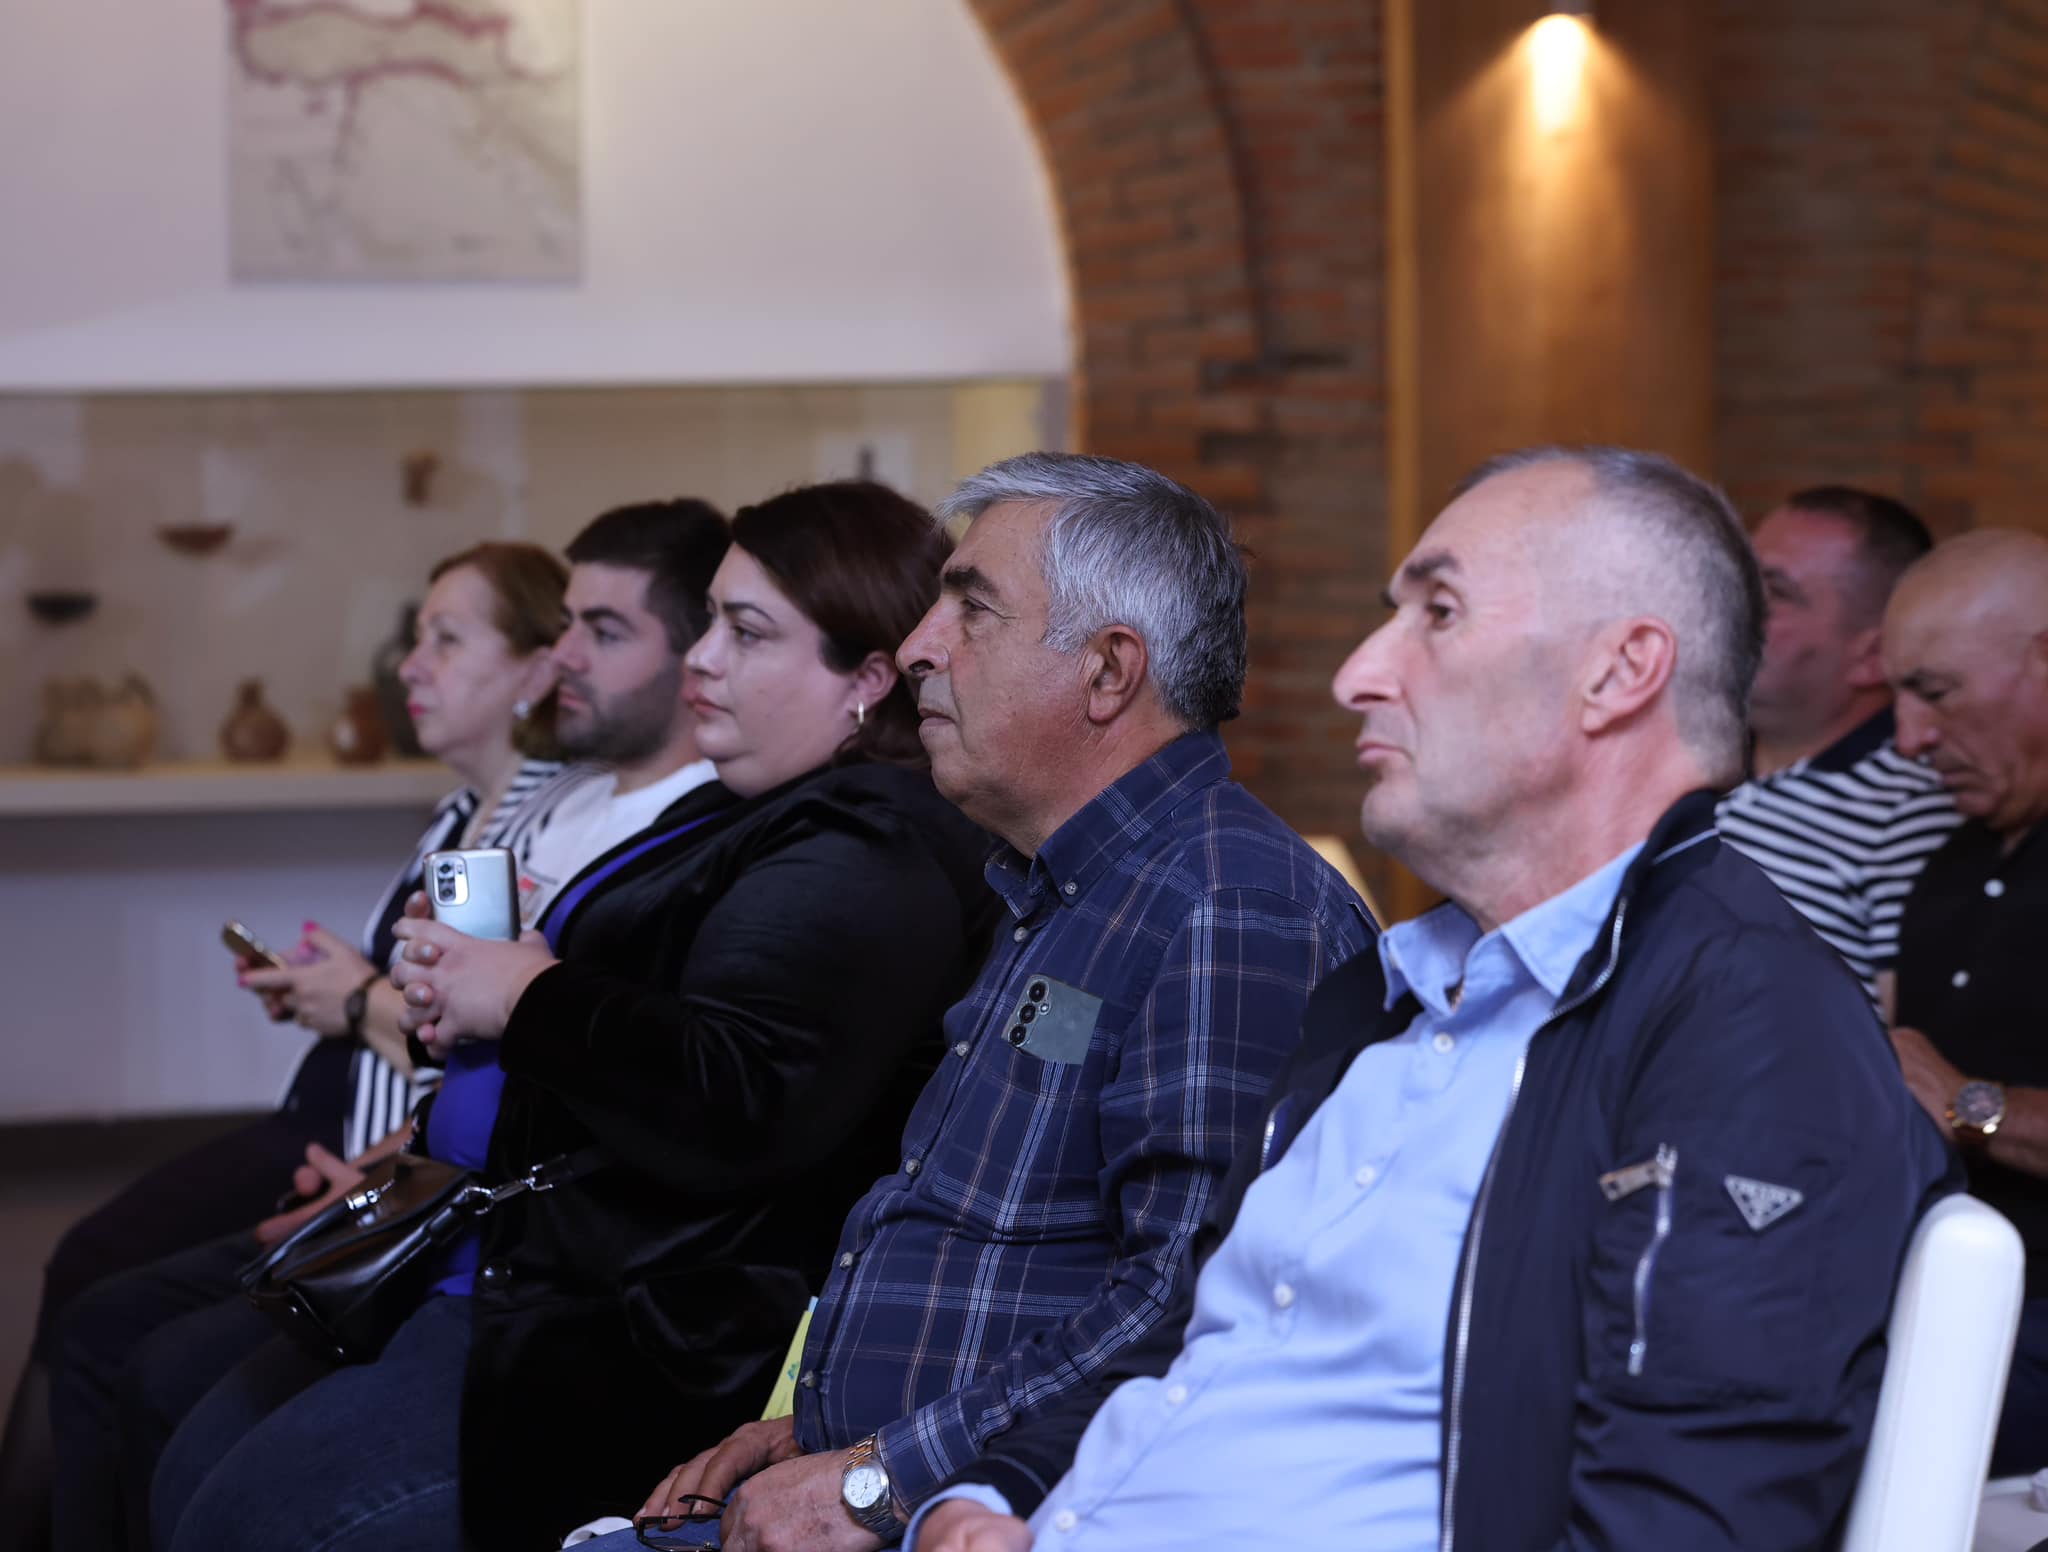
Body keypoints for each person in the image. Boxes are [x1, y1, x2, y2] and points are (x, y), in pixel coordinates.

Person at [912, 446, 1954, 1552]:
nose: (1357, 675)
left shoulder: (1743, 1024)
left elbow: (1678, 1518)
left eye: (1438, 613)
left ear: (1619, 672)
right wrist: (997, 1493)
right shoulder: (1387, 996)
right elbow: (1198, 1331)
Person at [151, 481, 999, 1552]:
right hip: (523, 1269)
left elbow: (734, 1094)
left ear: (866, 682)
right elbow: (636, 1011)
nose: (702, 659)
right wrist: (484, 985)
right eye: (709, 623)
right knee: (197, 1461)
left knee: (255, 1515)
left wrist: (520, 992)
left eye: (744, 633)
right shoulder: (758, 803)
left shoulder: (860, 843)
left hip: (636, 1336)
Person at [621, 452, 1374, 1552]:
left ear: (1108, 671)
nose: (917, 647)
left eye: (969, 607)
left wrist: (875, 1480)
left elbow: (1184, 1304)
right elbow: (1005, 1256)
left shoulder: (1227, 904)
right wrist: (817, 1430)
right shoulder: (1066, 885)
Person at [44, 503, 733, 1552]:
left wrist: (380, 1067)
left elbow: (576, 1064)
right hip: (420, 1176)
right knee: (136, 1348)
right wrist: (388, 1148)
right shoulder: (555, 811)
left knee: (157, 1374)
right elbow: (472, 1036)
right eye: (566, 626)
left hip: (489, 1235)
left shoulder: (670, 833)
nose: (565, 655)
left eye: (599, 630)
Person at [1882, 528, 2048, 1475]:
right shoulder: (1948, 865)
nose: (1909, 738)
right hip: (1922, 1310)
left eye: (1936, 693)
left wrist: (1966, 1105)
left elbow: (1947, 1097)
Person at [1716, 485, 1958, 1005]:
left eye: (1774, 592)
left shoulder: (1907, 810)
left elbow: (1903, 1041)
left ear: (1873, 656)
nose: (1731, 605)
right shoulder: (1690, 756)